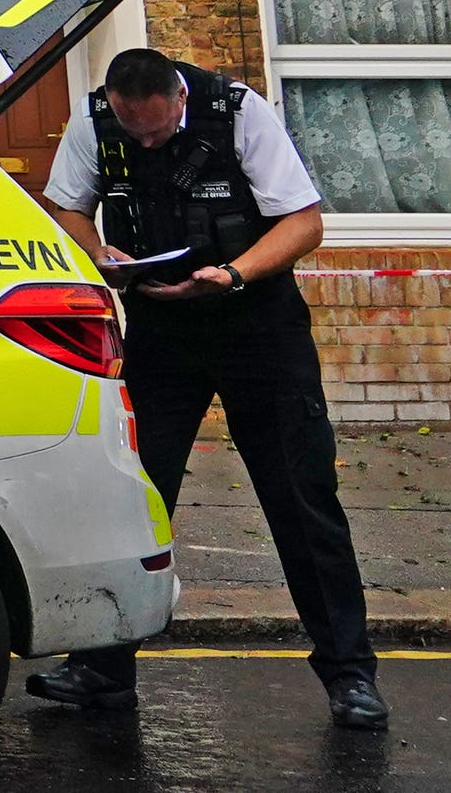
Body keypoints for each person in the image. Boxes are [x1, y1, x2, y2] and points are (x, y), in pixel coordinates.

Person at [27, 43, 385, 732]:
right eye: (137, 133)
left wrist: (236, 272)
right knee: (131, 495)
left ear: (179, 96)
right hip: (162, 330)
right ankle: (103, 669)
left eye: (158, 130)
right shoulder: (96, 121)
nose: (148, 141)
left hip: (258, 328)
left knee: (301, 500)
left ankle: (349, 674)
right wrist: (101, 254)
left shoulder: (238, 111)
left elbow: (304, 222)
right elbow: (65, 207)